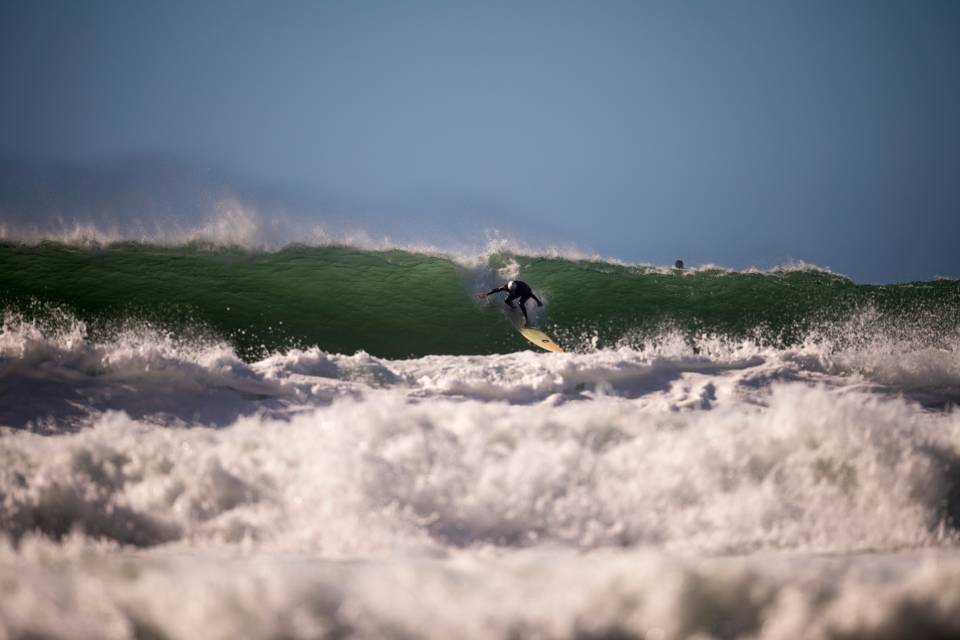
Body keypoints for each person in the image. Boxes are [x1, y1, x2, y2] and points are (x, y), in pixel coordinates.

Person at [476, 280, 543, 327]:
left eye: (513, 291)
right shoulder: (506, 286)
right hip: (517, 291)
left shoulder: (522, 288)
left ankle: (526, 319)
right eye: (511, 291)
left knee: (520, 303)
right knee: (506, 300)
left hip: (526, 292)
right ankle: (514, 308)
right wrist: (486, 294)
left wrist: (538, 301)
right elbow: (496, 290)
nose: (512, 292)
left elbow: (530, 294)